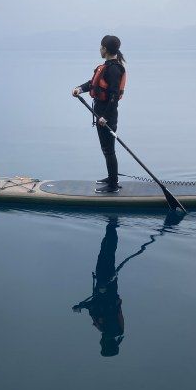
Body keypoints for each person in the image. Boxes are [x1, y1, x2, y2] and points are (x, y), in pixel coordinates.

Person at [72, 35, 127, 193]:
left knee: (109, 149)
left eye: (101, 47)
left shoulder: (114, 69)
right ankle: (112, 177)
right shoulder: (106, 67)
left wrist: (105, 117)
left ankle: (113, 185)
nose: (99, 49)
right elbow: (92, 84)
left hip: (107, 115)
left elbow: (114, 96)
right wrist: (79, 89)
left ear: (105, 49)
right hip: (100, 112)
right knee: (106, 148)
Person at [72, 217, 125, 357]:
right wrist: (81, 306)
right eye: (102, 346)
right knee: (107, 255)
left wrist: (81, 306)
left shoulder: (115, 331)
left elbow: (99, 307)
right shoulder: (108, 329)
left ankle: (111, 227)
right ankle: (112, 225)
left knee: (105, 254)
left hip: (106, 285)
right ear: (106, 345)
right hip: (106, 285)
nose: (100, 343)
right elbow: (113, 307)